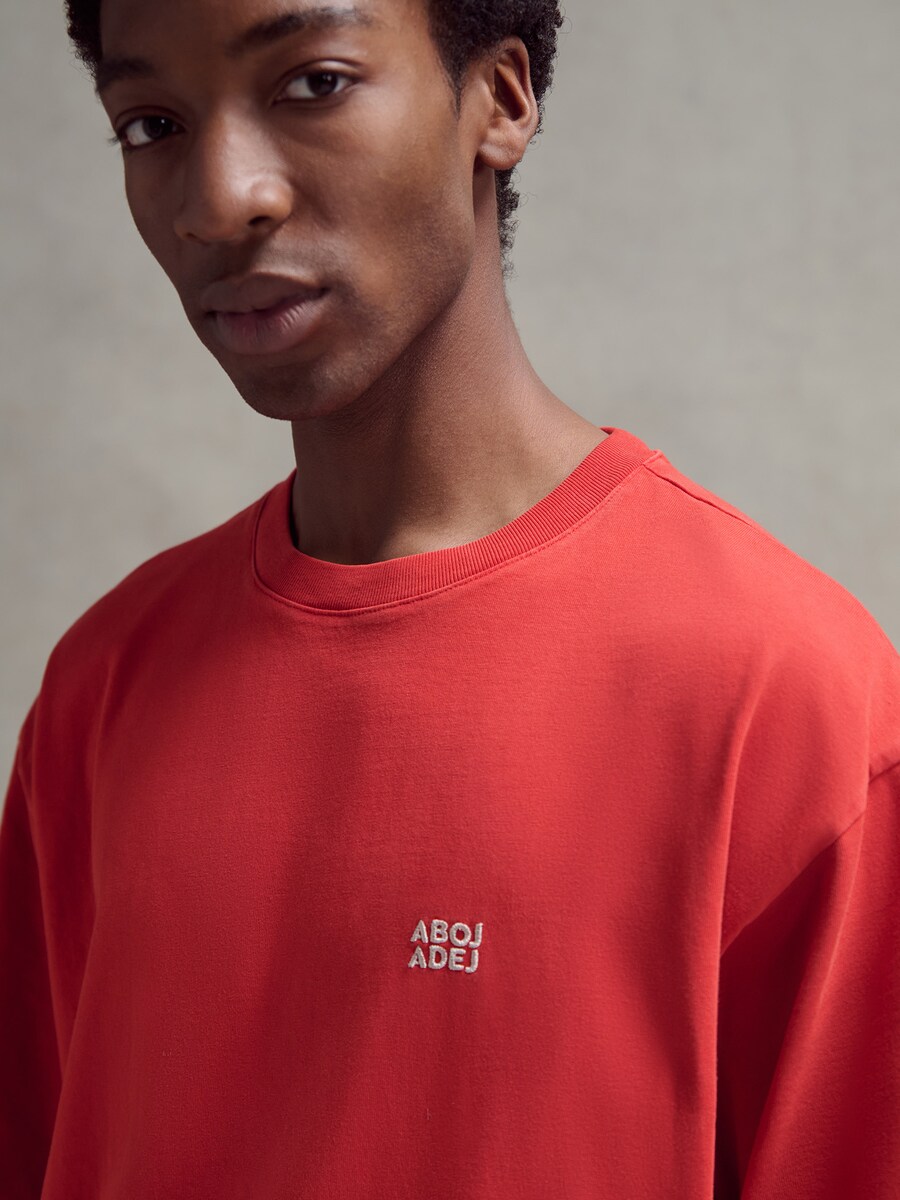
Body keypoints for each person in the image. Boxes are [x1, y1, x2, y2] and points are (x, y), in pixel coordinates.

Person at [1, 0, 898, 1196]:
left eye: (314, 83)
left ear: (501, 99)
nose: (220, 199)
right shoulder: (104, 684)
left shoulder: (783, 694)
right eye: (151, 122)